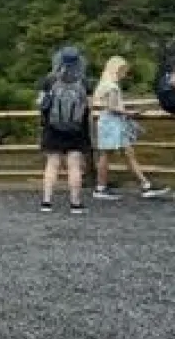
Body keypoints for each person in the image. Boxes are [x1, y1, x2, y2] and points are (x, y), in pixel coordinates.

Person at [91, 55, 169, 201]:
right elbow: (112, 107)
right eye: (123, 70)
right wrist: (131, 113)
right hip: (112, 124)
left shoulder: (105, 84)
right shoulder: (112, 86)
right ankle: (102, 188)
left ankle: (144, 185)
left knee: (124, 154)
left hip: (109, 123)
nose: (125, 74)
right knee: (109, 155)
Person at [38, 45, 92, 213]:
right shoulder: (84, 81)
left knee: (52, 164)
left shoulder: (50, 80)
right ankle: (75, 203)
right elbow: (88, 106)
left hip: (53, 127)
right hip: (77, 129)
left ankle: (46, 202)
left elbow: (41, 104)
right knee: (74, 166)